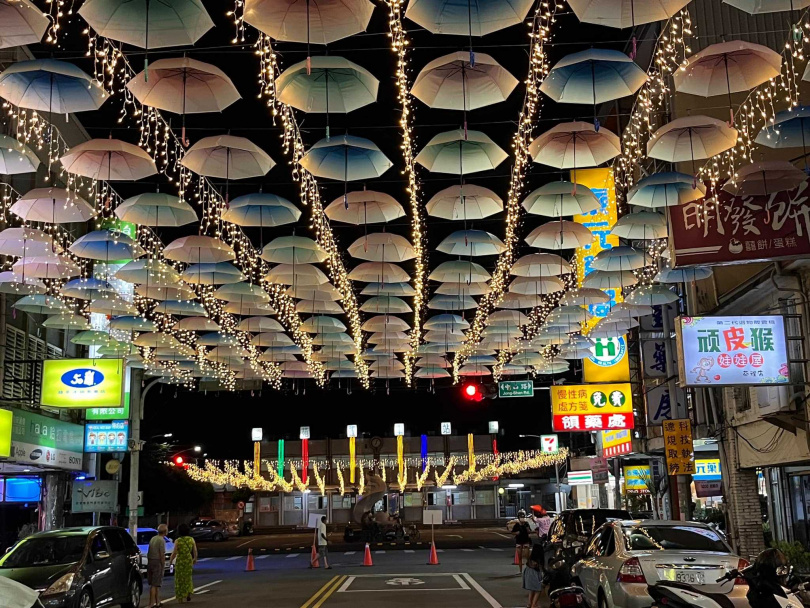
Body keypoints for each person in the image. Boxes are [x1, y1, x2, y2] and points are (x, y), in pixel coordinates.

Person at [170, 523, 197, 602]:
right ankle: (188, 593)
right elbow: (194, 550)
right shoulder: (191, 539)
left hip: (180, 560)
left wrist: (171, 560)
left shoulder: (178, 541)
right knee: (188, 578)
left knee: (179, 579)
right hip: (188, 560)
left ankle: (180, 597)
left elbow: (174, 552)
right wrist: (195, 558)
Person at [147, 524, 168, 608]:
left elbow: (149, 551)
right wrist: (163, 565)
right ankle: (151, 603)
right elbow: (161, 554)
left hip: (150, 561)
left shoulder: (153, 538)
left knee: (156, 583)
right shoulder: (161, 540)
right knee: (155, 584)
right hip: (157, 562)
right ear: (165, 531)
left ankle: (158, 601)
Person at [523, 543, 544, 608]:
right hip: (534, 574)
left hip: (527, 573)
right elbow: (541, 568)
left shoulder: (531, 557)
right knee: (538, 589)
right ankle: (534, 604)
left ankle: (529, 603)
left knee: (532, 589)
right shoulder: (538, 559)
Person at [512, 509, 532, 575]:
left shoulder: (526, 524)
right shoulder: (517, 525)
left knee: (527, 557)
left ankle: (529, 570)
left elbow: (529, 531)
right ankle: (520, 571)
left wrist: (527, 528)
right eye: (521, 517)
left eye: (523, 517)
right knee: (520, 557)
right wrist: (516, 533)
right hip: (519, 541)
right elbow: (512, 532)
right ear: (518, 517)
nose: (522, 518)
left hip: (526, 541)